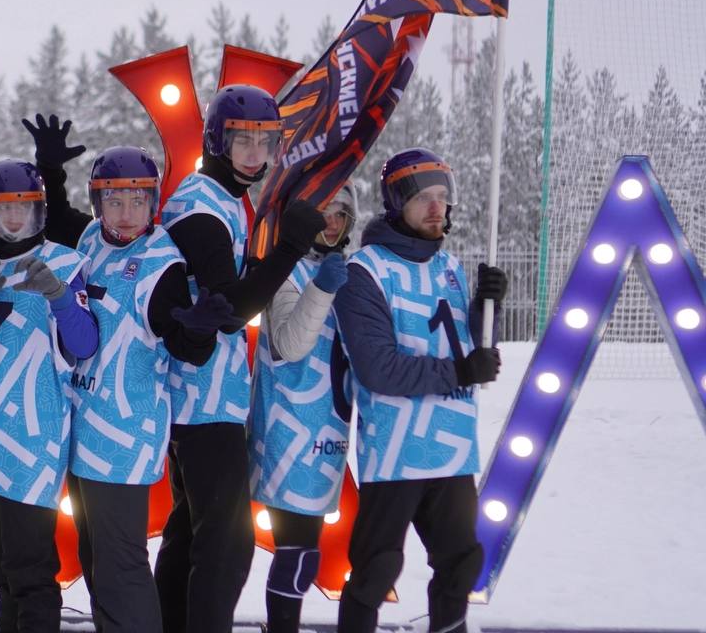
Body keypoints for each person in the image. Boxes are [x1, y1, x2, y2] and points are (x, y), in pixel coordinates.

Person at [23, 114, 244, 632]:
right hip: (83, 424)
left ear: (153, 203)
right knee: (97, 558)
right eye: (115, 201)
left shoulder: (160, 262)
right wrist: (50, 171)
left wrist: (198, 331)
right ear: (99, 204)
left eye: (139, 201)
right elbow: (55, 217)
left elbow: (182, 345)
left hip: (124, 433)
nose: (126, 213)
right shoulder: (92, 240)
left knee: (121, 563)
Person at [151, 85, 326, 633]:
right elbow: (230, 309)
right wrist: (292, 248)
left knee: (191, 529)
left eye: (265, 141)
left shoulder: (224, 198)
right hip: (199, 399)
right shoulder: (201, 206)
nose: (255, 153)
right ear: (216, 141)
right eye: (241, 140)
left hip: (207, 391)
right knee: (227, 543)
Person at [333, 148, 506, 633]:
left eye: (442, 198)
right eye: (422, 198)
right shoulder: (364, 271)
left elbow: (465, 349)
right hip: (397, 450)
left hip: (451, 446)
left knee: (460, 567)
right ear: (395, 203)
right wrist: (461, 372)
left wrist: (485, 309)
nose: (436, 208)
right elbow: (379, 369)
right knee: (376, 570)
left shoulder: (448, 266)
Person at [0, 158, 99, 633]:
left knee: (31, 566)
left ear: (39, 211)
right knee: (1, 561)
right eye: (3, 207)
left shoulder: (66, 262)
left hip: (33, 434)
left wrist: (60, 298)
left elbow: (84, 345)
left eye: (23, 207)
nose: (13, 218)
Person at [247, 183, 357, 633]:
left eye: (342, 214)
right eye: (322, 213)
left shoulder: (347, 270)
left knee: (305, 554)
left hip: (328, 430)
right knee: (295, 554)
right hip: (285, 431)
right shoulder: (285, 271)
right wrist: (324, 287)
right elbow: (291, 345)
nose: (332, 223)